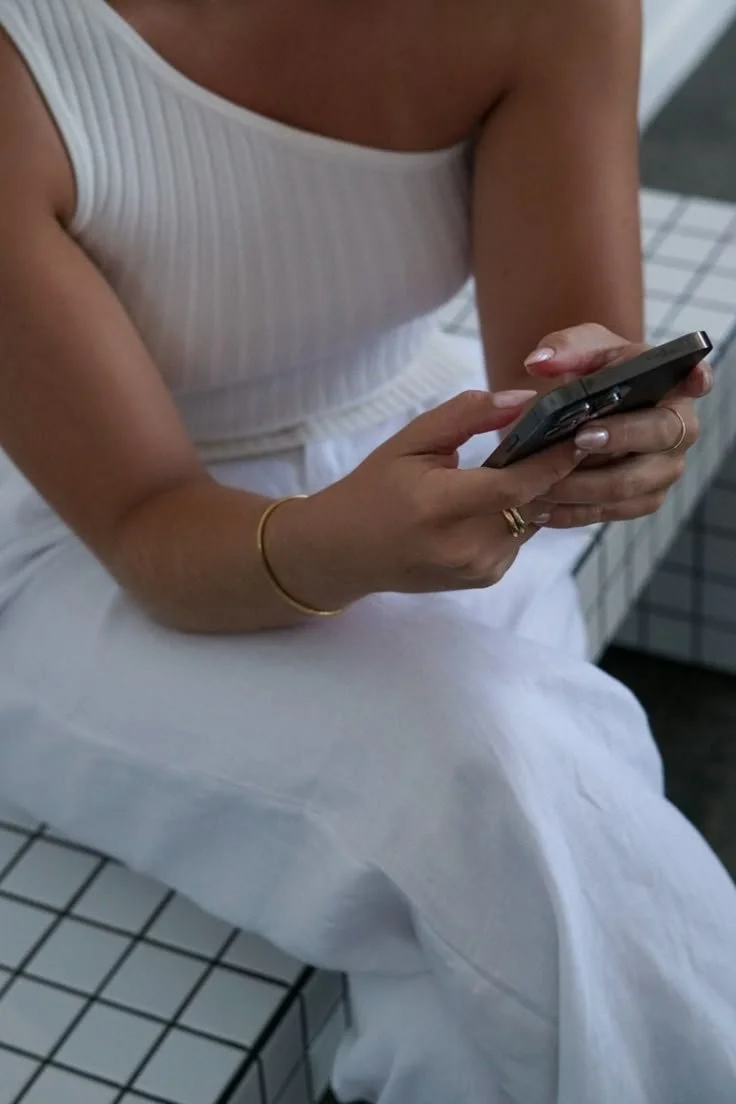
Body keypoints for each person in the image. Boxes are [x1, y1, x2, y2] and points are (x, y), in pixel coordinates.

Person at [0, 0, 733, 1100]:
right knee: (495, 771)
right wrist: (344, 546)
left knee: (482, 954)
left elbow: (561, 351)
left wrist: (611, 431)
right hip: (93, 546)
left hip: (424, 455)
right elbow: (146, 526)